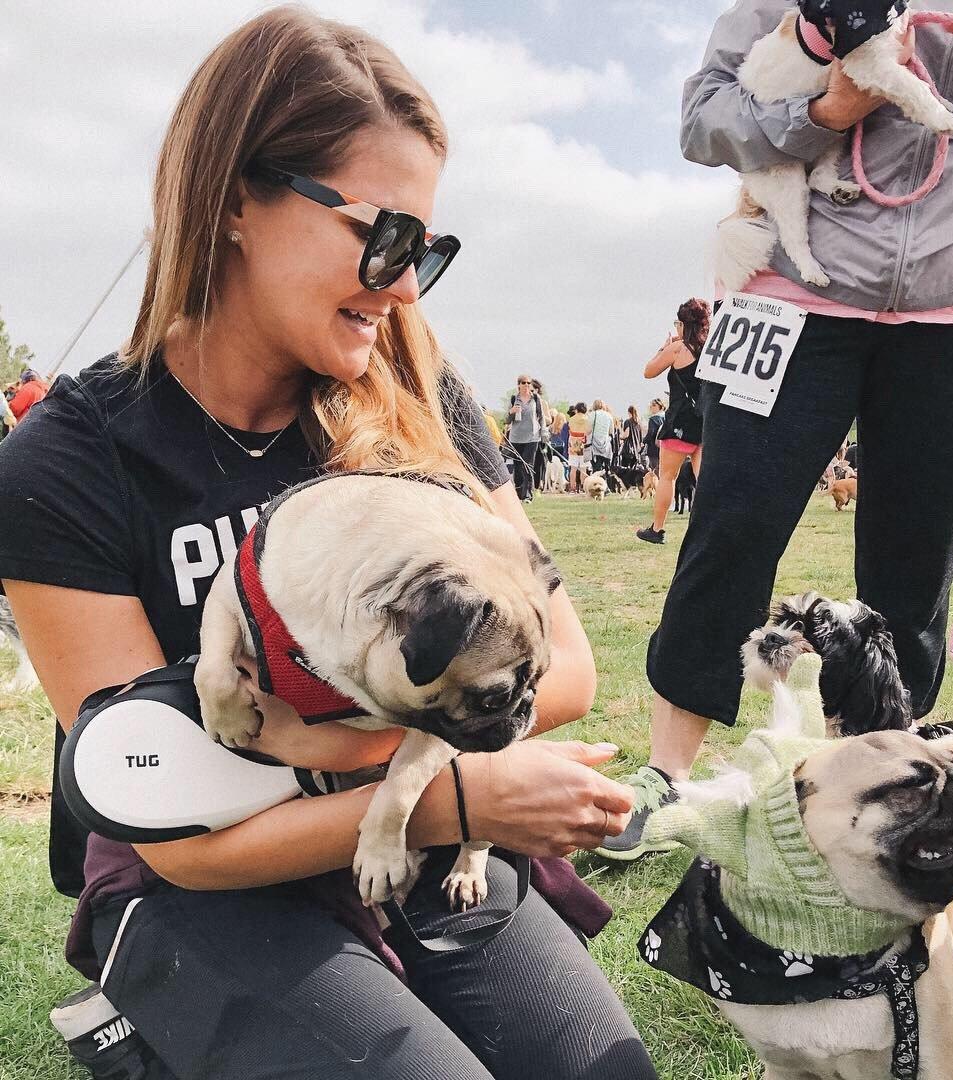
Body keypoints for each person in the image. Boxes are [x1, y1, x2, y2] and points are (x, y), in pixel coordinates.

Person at [0, 11, 655, 1079]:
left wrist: (370, 772)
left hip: (423, 826)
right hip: (210, 887)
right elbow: (171, 821)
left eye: (428, 252)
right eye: (386, 236)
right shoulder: (67, 462)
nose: (404, 287)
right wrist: (451, 790)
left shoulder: (417, 392)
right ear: (232, 206)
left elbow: (565, 667)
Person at [599, 0, 953, 861]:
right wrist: (824, 112)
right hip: (791, 289)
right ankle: (667, 775)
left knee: (918, 550)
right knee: (733, 521)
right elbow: (704, 118)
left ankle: (883, 782)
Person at [636, 300, 706, 547]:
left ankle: (658, 529)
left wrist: (662, 347)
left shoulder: (677, 349)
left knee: (668, 476)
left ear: (682, 324)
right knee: (704, 478)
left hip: (680, 420)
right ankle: (706, 530)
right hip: (705, 419)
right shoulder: (712, 348)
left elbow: (649, 371)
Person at [507, 374, 544, 502]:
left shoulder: (535, 398)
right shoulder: (514, 399)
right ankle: (518, 493)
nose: (526, 385)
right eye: (523, 383)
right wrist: (511, 412)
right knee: (517, 467)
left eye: (528, 383)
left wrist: (543, 432)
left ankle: (527, 495)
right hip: (516, 437)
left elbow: (541, 416)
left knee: (527, 466)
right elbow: (507, 421)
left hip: (532, 437)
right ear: (518, 385)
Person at [531, 378, 553, 495]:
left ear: (537, 390)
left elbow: (549, 419)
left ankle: (537, 485)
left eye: (532, 389)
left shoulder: (543, 403)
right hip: (526, 436)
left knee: (539, 461)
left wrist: (541, 417)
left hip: (539, 437)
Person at [585, 399, 615, 478]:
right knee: (606, 467)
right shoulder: (609, 416)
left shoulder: (592, 415)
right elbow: (611, 431)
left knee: (596, 467)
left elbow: (588, 431)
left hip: (595, 445)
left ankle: (596, 483)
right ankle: (606, 485)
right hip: (606, 445)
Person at [566, 403, 590, 493]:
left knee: (573, 468)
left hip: (574, 444)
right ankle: (583, 487)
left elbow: (570, 429)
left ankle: (572, 488)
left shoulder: (572, 419)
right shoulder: (587, 419)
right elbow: (589, 431)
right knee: (583, 468)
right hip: (585, 443)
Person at [643, 398, 665, 476]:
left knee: (655, 470)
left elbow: (650, 434)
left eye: (654, 405)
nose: (651, 407)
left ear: (660, 406)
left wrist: (643, 441)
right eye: (651, 405)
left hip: (654, 448)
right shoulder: (667, 417)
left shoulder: (653, 419)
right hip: (666, 447)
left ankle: (657, 487)